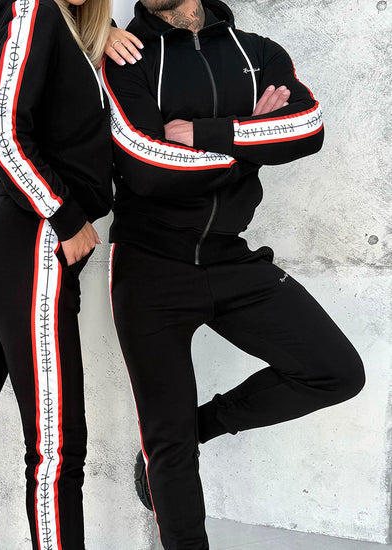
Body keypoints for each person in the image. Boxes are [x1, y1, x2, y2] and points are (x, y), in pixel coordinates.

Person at [102, 0, 366, 548]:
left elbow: (307, 128)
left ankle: (199, 427)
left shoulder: (258, 53)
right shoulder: (125, 55)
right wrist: (255, 138)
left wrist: (206, 133)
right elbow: (147, 168)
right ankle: (174, 450)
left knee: (335, 372)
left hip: (231, 259)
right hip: (150, 269)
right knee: (168, 442)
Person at [0, 0, 142, 548]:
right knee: (57, 448)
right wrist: (66, 215)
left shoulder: (57, 28)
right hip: (29, 238)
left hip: (0, 239)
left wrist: (101, 35)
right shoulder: (32, 8)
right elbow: (0, 128)